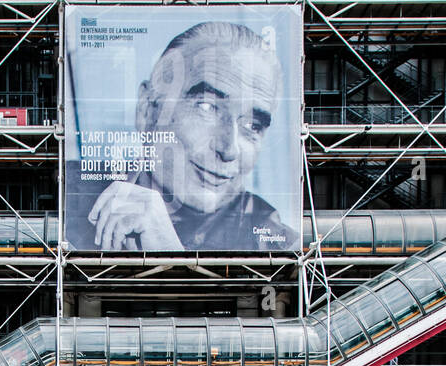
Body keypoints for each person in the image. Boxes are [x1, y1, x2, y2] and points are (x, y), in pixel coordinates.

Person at [65, 21, 299, 253]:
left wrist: (171, 254)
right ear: (148, 110)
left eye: (252, 125)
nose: (229, 150)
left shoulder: (277, 244)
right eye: (207, 107)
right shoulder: (69, 194)